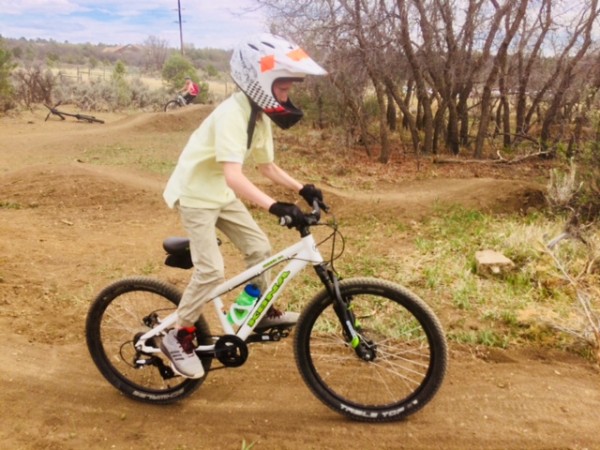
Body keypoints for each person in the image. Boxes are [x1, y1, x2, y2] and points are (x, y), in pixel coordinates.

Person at [160, 33, 328, 379]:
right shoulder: (232, 115)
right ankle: (177, 335)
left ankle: (256, 311)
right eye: (283, 87)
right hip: (195, 195)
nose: (288, 95)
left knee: (259, 248)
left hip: (220, 194)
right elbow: (234, 175)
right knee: (211, 271)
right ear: (261, 82)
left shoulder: (259, 116)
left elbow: (267, 167)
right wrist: (275, 207)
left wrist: (302, 188)